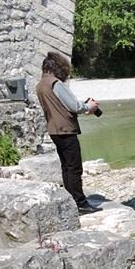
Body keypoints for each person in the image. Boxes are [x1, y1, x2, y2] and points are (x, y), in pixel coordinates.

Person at [35, 51, 102, 215]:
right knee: (74, 168)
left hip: (54, 130)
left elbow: (59, 107)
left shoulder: (41, 85)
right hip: (65, 129)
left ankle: (72, 200)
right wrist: (89, 107)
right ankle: (81, 203)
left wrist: (81, 109)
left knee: (66, 167)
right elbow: (74, 106)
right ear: (58, 68)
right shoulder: (55, 84)